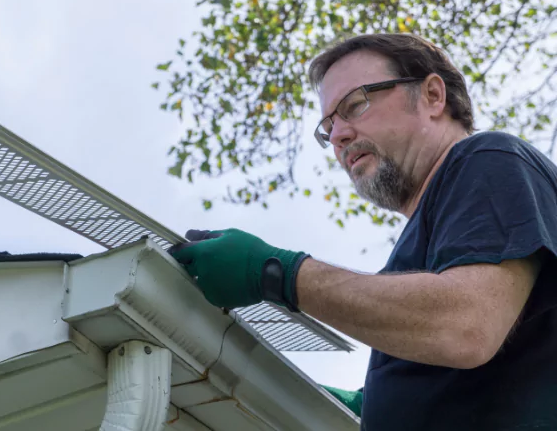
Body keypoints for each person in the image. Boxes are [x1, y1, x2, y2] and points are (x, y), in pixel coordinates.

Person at [168, 33, 557, 431]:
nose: (338, 136)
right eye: (329, 126)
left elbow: (466, 326)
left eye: (354, 105)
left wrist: (276, 272)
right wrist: (364, 406)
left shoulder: (488, 158)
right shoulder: (420, 249)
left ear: (433, 96)